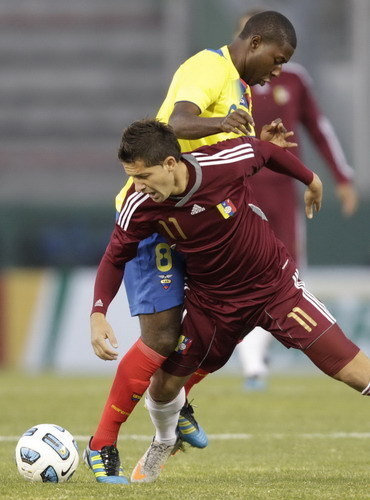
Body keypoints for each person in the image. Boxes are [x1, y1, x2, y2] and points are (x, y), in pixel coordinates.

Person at [91, 119, 370, 485]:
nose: (137, 185)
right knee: (162, 388)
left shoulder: (223, 161)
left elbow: (266, 151)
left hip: (276, 289)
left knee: (355, 372)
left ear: (171, 164)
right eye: (132, 177)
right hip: (212, 305)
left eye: (143, 176)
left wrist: (312, 180)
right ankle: (164, 441)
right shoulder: (139, 204)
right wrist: (98, 313)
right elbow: (114, 257)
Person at [84, 11, 298, 484]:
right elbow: (178, 122)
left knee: (220, 325)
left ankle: (176, 405)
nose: (277, 72)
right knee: (162, 338)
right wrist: (99, 309)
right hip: (158, 219)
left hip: (197, 216)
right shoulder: (208, 66)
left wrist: (254, 142)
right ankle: (102, 443)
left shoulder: (239, 84)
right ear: (256, 43)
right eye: (277, 60)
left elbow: (218, 152)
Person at [233, 11, 359, 391]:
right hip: (240, 190)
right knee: (241, 273)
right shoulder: (226, 80)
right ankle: (254, 365)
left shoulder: (294, 78)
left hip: (285, 193)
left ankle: (264, 357)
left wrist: (341, 176)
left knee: (288, 271)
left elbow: (318, 126)